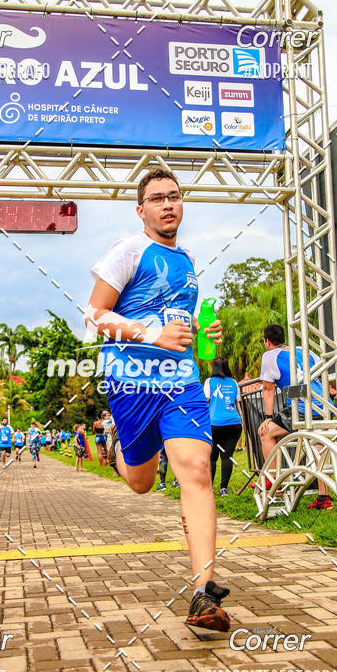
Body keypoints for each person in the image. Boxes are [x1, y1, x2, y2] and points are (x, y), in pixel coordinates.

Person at [85, 166, 230, 632]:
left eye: (175, 196)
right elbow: (94, 315)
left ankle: (203, 593)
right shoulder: (129, 250)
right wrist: (150, 333)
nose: (168, 204)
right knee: (142, 483)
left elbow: (181, 324)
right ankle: (119, 456)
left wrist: (207, 333)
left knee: (196, 469)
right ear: (141, 208)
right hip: (131, 383)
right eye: (157, 198)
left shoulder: (187, 260)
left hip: (181, 382)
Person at [257, 324, 332, 509]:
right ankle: (324, 498)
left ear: (267, 341)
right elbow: (321, 375)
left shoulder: (269, 356)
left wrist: (268, 416)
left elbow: (268, 389)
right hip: (322, 405)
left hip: (300, 408)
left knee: (266, 432)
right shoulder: (304, 350)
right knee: (319, 448)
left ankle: (274, 481)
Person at [204, 357, 242, 496]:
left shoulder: (209, 382)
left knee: (212, 457)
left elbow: (205, 401)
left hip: (215, 424)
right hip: (234, 423)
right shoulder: (234, 383)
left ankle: (209, 489)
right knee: (227, 456)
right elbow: (237, 403)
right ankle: (224, 488)